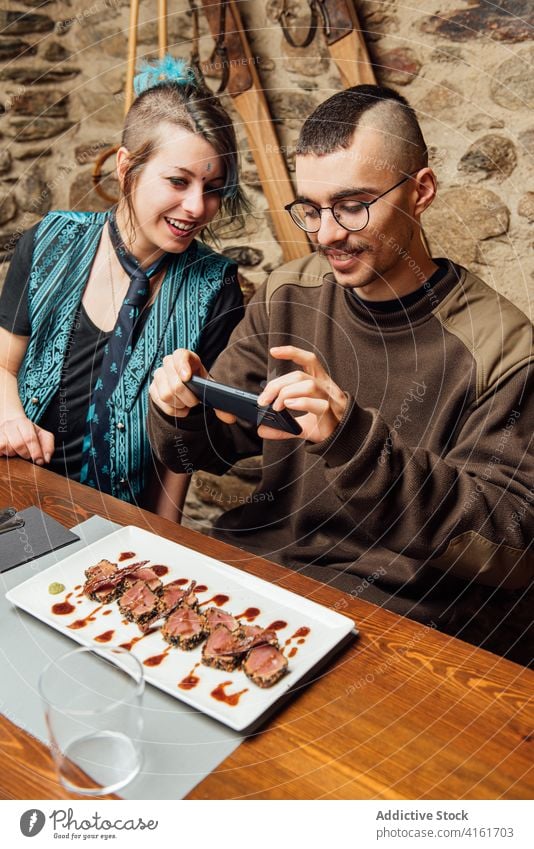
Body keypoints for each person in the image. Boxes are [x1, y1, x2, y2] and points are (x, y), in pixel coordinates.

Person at [147, 84, 534, 664]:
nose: (326, 233)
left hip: (401, 614)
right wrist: (179, 406)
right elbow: (209, 447)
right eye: (311, 208)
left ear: (421, 191)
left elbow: (508, 546)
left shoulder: (503, 348)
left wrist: (354, 440)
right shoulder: (288, 292)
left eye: (353, 205)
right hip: (265, 575)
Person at [0, 57, 247, 519]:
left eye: (213, 188)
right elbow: (3, 365)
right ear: (126, 166)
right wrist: (11, 418)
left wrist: (162, 541)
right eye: (178, 181)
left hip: (113, 522)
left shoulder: (217, 288)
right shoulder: (51, 240)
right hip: (12, 491)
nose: (196, 207)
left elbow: (180, 450)